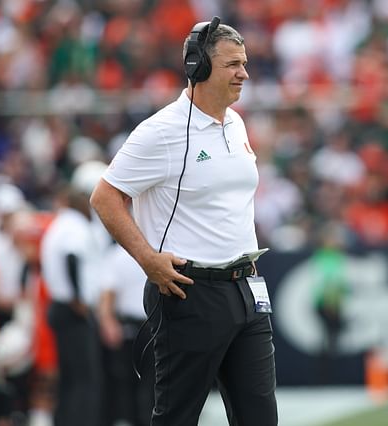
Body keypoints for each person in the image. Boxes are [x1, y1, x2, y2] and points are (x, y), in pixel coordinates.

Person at [90, 18, 278, 426]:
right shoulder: (160, 132)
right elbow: (105, 197)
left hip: (246, 288)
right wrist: (147, 260)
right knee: (177, 417)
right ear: (199, 68)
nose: (244, 73)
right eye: (232, 65)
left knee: (261, 417)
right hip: (190, 291)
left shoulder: (236, 122)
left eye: (244, 63)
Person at [41, 160, 111, 426]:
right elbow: (72, 257)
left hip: (63, 307)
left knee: (72, 379)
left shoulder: (64, 223)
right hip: (73, 309)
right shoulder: (74, 226)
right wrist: (79, 299)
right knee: (86, 380)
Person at [98, 242, 154, 426]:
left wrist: (107, 321)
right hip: (135, 327)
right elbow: (107, 293)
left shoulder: (118, 253)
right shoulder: (121, 254)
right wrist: (108, 322)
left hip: (147, 326)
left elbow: (107, 293)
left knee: (139, 384)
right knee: (134, 384)